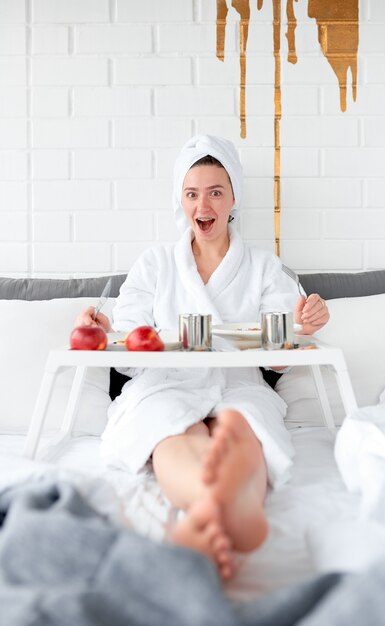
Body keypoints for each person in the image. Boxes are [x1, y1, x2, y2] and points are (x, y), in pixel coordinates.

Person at [75, 135, 330, 575]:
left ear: (234, 198)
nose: (203, 205)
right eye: (192, 193)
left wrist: (301, 327)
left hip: (238, 384)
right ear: (181, 199)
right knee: (174, 431)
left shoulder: (265, 268)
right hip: (166, 382)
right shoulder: (155, 265)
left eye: (215, 192)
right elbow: (132, 349)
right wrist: (107, 332)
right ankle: (209, 503)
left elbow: (277, 360)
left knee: (246, 430)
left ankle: (237, 504)